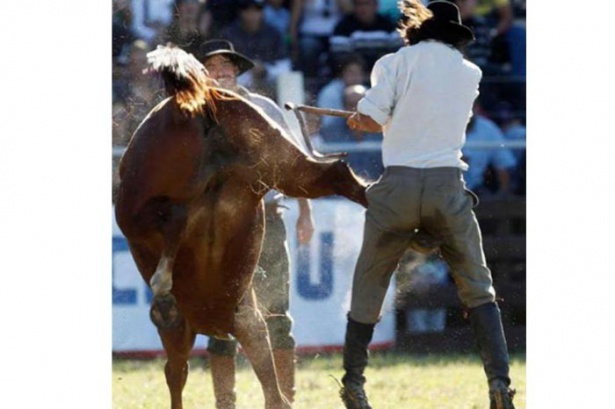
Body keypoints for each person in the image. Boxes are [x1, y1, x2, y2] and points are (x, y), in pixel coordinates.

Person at [338, 2, 516, 408]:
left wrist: (362, 119)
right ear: (454, 37)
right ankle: (500, 385)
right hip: (446, 186)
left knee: (370, 282)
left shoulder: (394, 62)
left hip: (398, 187)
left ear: (416, 32)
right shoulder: (470, 73)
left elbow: (370, 116)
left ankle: (353, 384)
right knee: (478, 285)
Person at [195, 39, 315, 409]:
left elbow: (293, 162)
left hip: (267, 220)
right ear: (202, 73)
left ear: (237, 70)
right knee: (220, 318)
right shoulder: (191, 114)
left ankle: (283, 401)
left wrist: (306, 213)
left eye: (227, 65)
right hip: (215, 227)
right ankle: (224, 403)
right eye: (213, 66)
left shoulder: (263, 108)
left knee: (277, 313)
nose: (221, 71)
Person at [219, 0, 290, 98]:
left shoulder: (273, 33)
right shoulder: (229, 34)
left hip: (270, 81)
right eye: (246, 10)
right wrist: (247, 68)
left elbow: (285, 66)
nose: (251, 15)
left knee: (289, 80)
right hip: (240, 82)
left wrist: (265, 70)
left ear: (262, 11)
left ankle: (288, 112)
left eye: (256, 9)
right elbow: (221, 65)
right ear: (240, 11)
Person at [463, 101, 517, 196]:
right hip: (439, 190)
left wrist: (503, 196)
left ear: (477, 107)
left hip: (475, 191)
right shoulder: (436, 127)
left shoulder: (488, 128)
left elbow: (503, 165)